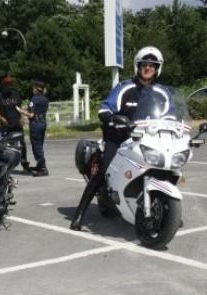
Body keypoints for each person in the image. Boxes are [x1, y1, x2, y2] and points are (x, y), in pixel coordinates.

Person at [70, 46, 173, 230]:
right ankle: (79, 215)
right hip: (119, 138)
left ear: (158, 68)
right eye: (144, 65)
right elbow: (105, 108)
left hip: (148, 139)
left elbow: (171, 117)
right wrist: (112, 118)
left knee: (166, 167)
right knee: (103, 172)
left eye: (152, 65)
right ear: (138, 67)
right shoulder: (125, 87)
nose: (148, 68)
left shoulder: (162, 93)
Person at [0, 75, 31, 172]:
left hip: (17, 123)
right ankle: (4, 164)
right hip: (6, 125)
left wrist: (22, 118)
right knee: (4, 145)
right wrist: (1, 118)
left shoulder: (16, 94)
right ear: (4, 85)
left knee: (22, 144)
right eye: (7, 85)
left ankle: (24, 163)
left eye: (10, 84)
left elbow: (19, 108)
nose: (9, 86)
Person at [20, 80, 49, 177]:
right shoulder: (44, 99)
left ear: (36, 89)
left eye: (33, 88)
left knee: (36, 146)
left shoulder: (34, 99)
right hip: (42, 122)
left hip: (35, 124)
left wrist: (21, 111)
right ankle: (39, 165)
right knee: (39, 145)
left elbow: (31, 114)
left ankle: (43, 168)